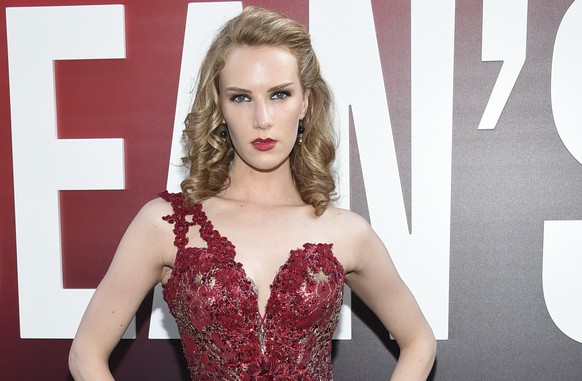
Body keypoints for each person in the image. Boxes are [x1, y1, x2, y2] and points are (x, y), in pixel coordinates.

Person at [69, 6, 436, 381]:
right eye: (241, 97)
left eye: (279, 94)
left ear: (305, 101)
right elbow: (86, 354)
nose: (262, 118)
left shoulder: (346, 233)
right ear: (220, 106)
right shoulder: (165, 225)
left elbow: (419, 340)